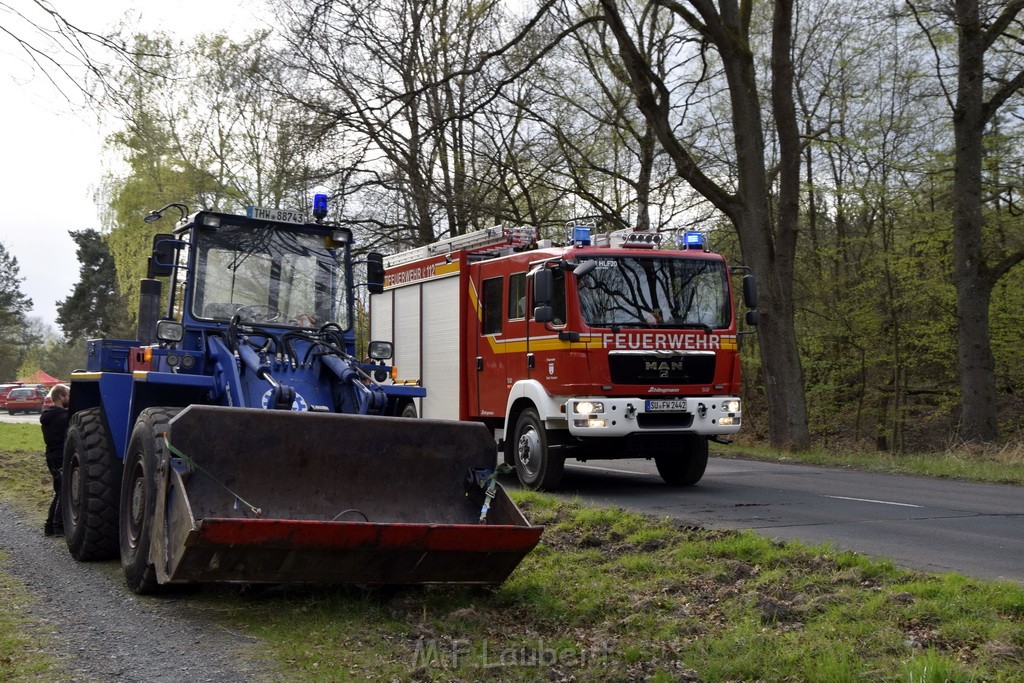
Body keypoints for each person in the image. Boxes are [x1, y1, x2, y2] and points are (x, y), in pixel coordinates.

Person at [39, 383, 69, 537]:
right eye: (68, 395)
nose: (70, 398)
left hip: (51, 457)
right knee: (63, 492)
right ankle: (58, 527)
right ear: (61, 396)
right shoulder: (63, 418)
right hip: (59, 458)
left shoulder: (49, 415)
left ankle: (49, 526)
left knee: (58, 492)